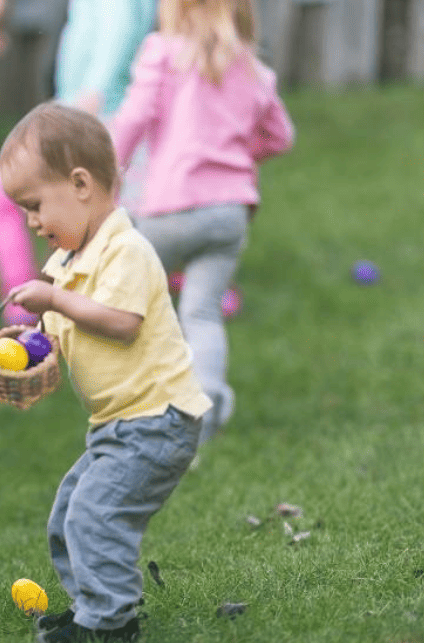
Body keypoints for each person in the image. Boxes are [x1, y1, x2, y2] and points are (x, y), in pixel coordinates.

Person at [0, 103, 211, 643]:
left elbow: (124, 324)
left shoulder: (125, 250)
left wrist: (55, 297)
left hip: (159, 420)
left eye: (35, 206)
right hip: (119, 425)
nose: (32, 223)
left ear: (81, 184)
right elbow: (41, 345)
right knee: (69, 513)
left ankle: (112, 624)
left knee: (95, 516)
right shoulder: (66, 262)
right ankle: (94, 607)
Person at [110, 0, 294, 444]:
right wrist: (235, 156)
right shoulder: (252, 68)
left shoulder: (161, 52)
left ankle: (139, 408)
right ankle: (206, 404)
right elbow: (281, 136)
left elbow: (133, 117)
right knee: (202, 312)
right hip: (230, 213)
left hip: (168, 210)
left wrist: (108, 173)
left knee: (134, 310)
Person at [0, 0, 156, 324]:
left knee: (1, 200)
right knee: (126, 219)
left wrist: (94, 93)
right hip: (90, 108)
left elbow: (121, 27)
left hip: (97, 112)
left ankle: (23, 309)